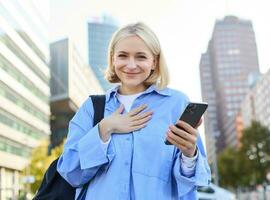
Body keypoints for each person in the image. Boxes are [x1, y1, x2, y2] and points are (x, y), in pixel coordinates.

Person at [57, 22, 211, 200]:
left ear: (154, 61)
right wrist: (104, 128)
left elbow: (194, 184)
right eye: (123, 56)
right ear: (113, 59)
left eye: (140, 57)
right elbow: (70, 173)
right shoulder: (91, 108)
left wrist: (189, 155)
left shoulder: (177, 104)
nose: (131, 65)